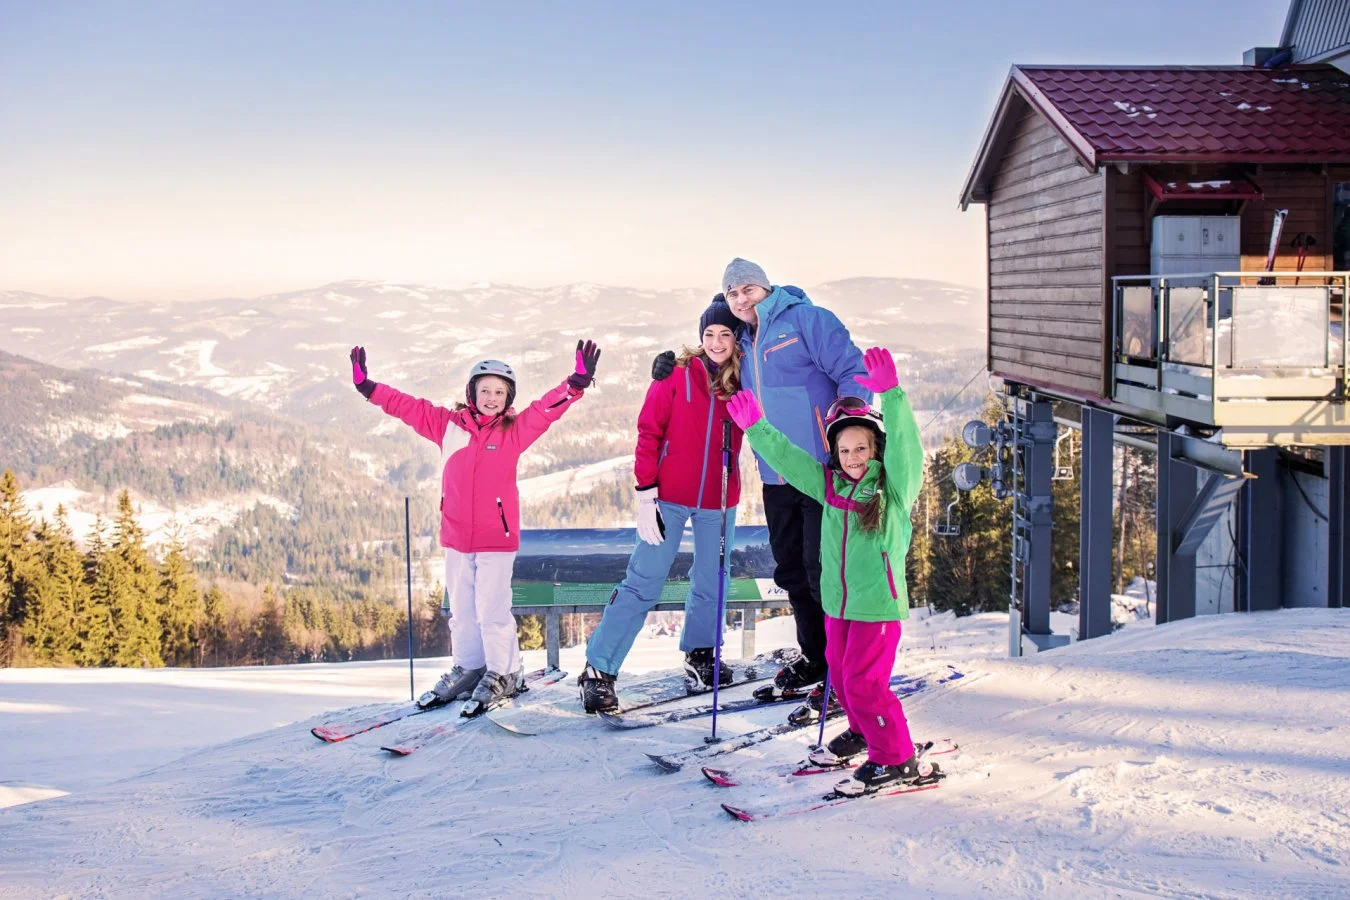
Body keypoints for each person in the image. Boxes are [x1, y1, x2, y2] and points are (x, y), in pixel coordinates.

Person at [653, 258, 869, 710]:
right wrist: (671, 364)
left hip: (819, 468)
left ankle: (840, 665)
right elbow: (709, 357)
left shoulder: (807, 320)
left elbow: (853, 368)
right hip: (775, 474)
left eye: (747, 288)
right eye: (732, 293)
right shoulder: (743, 341)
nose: (741, 298)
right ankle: (815, 659)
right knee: (791, 570)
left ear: (766, 289)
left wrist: (850, 409)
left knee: (821, 571)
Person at [349, 339, 601, 713]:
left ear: (508, 397)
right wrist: (368, 388)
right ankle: (469, 668)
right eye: (485, 390)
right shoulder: (446, 426)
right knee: (463, 611)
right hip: (456, 537)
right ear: (471, 393)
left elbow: (545, 411)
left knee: (492, 611)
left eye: (500, 392)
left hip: (496, 540)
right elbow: (406, 406)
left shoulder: (513, 431)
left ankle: (505, 673)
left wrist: (575, 384)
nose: (492, 397)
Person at [725, 346, 925, 795]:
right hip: (838, 604)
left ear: (875, 449)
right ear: (834, 452)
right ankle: (861, 730)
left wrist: (892, 396)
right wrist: (757, 427)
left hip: (876, 606)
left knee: (864, 681)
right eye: (844, 448)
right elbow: (791, 460)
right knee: (839, 670)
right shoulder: (829, 486)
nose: (852, 456)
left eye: (861, 447)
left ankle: (896, 757)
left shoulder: (892, 492)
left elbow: (909, 453)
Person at [578, 298, 745, 713]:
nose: (716, 342)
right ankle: (598, 670)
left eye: (725, 334)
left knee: (712, 580)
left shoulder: (746, 379)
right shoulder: (675, 374)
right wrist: (644, 493)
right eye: (709, 334)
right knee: (644, 580)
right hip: (667, 496)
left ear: (737, 338)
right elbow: (648, 431)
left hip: (719, 497)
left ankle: (702, 652)